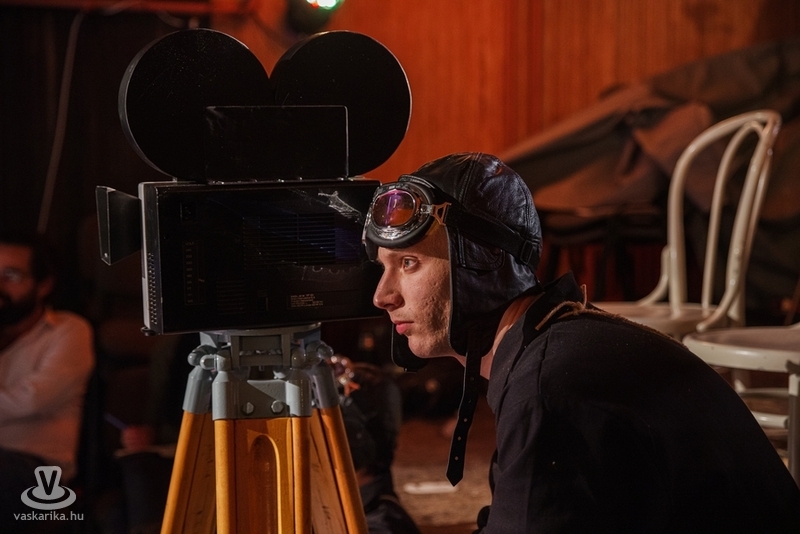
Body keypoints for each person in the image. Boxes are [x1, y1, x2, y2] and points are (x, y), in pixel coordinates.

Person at [362, 152, 800, 532]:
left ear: (484, 260)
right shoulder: (558, 344)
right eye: (384, 267)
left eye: (409, 262)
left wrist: (373, 498)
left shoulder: (548, 388)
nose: (382, 296)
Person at [0, 231, 95, 529]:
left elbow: (31, 399)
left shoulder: (69, 331)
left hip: (35, 471)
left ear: (44, 285)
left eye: (11, 276)